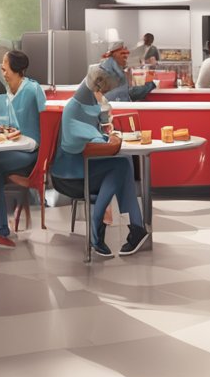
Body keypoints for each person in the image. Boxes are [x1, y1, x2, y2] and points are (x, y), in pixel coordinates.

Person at [52, 65, 148, 258]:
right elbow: (78, 145)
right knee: (121, 165)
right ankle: (102, 226)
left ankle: (132, 228)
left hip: (85, 167)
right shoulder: (74, 108)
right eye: (103, 91)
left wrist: (106, 130)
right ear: (94, 88)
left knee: (124, 162)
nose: (105, 95)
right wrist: (107, 137)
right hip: (69, 175)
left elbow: (100, 138)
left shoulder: (90, 106)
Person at [0, 50, 46, 249]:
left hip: (29, 151)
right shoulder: (3, 96)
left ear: (13, 68)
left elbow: (47, 121)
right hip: (9, 149)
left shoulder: (33, 89)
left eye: (4, 63)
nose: (2, 68)